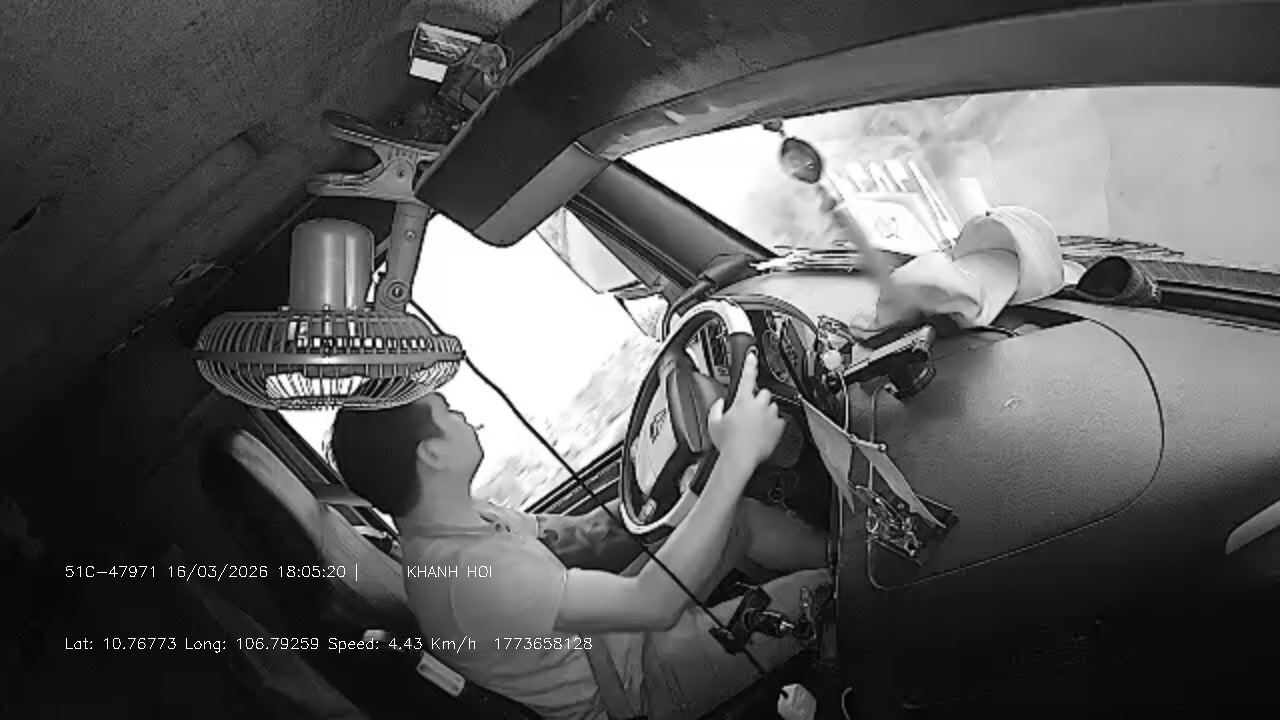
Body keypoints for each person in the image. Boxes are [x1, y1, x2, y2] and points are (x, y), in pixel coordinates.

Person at [329, 351, 830, 720]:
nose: (460, 415)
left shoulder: (456, 521)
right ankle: (858, 587)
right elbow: (652, 604)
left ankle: (842, 552)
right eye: (445, 411)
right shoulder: (469, 576)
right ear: (432, 454)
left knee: (735, 518)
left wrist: (673, 486)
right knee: (821, 597)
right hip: (635, 688)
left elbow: (580, 535)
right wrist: (737, 456)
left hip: (611, 637)